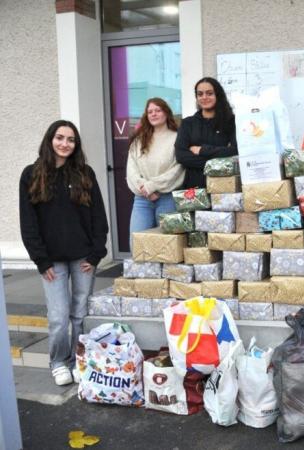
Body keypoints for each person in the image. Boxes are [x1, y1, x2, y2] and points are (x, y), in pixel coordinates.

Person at [19, 120, 108, 386]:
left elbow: (98, 217)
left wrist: (96, 254)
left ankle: (78, 360)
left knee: (80, 314)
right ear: (50, 140)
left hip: (83, 259)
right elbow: (28, 223)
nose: (65, 144)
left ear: (76, 145)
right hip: (51, 262)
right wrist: (40, 259)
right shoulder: (31, 174)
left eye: (70, 140)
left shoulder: (85, 173)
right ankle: (58, 361)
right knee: (58, 317)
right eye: (60, 138)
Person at [126, 98, 184, 236]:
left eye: (158, 110)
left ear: (166, 113)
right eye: (150, 111)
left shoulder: (177, 138)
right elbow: (131, 169)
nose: (153, 114)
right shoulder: (139, 140)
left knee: (167, 246)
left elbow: (178, 169)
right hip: (142, 199)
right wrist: (144, 187)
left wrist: (153, 186)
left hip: (167, 198)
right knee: (137, 243)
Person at [175, 77, 237, 188]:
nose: (204, 97)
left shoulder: (231, 122)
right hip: (195, 189)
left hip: (225, 186)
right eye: (200, 94)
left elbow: (234, 151)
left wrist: (201, 150)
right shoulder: (187, 123)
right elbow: (181, 156)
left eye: (209, 93)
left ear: (218, 95)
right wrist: (219, 162)